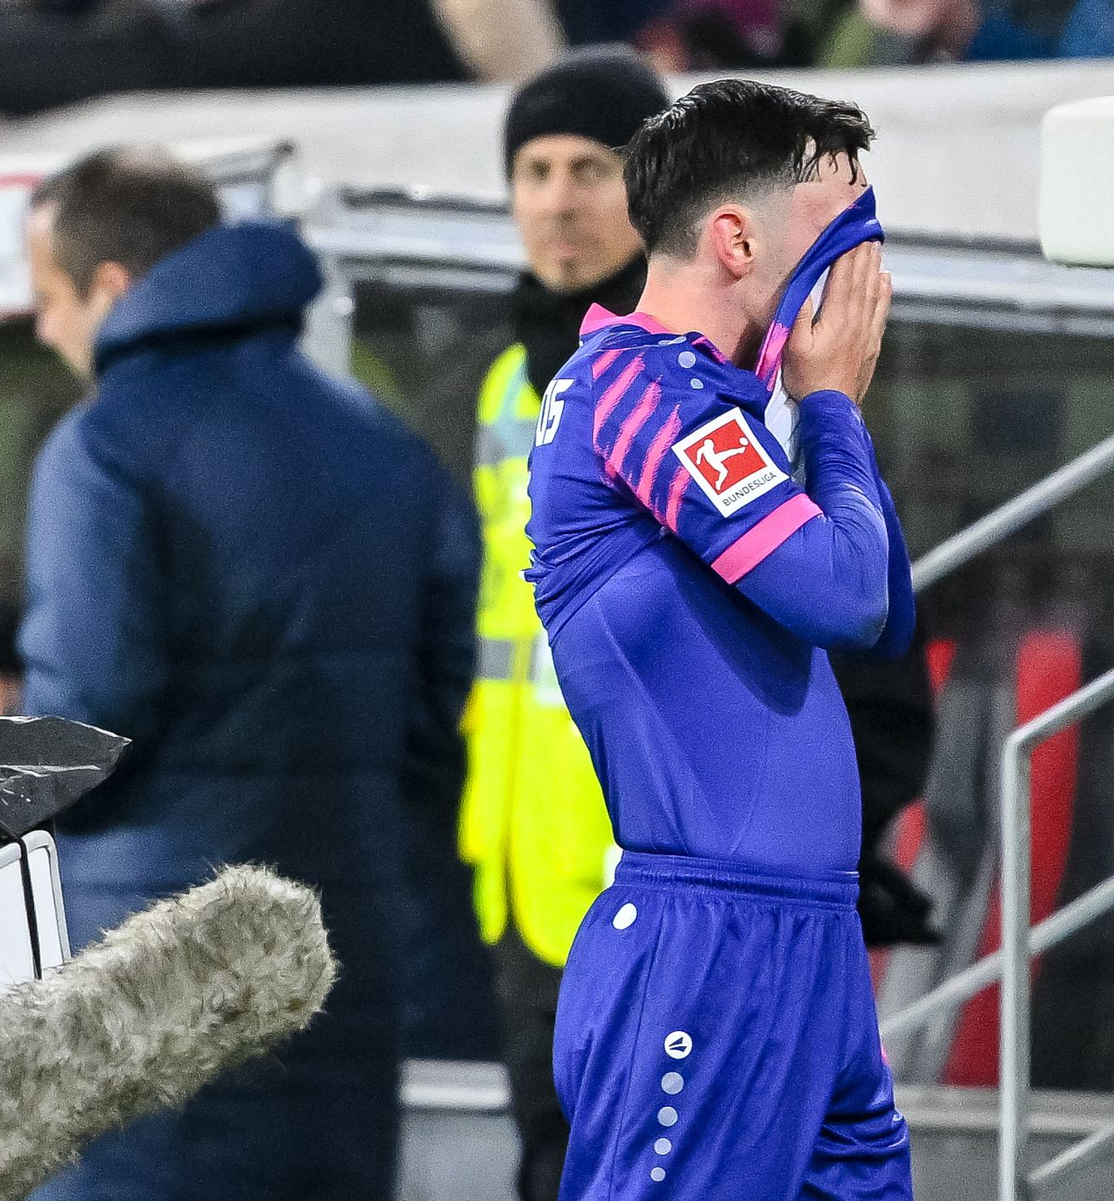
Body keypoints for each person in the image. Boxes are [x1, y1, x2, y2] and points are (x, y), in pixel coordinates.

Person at [19, 148, 478, 1201]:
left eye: (48, 298)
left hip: (146, 984)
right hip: (338, 964)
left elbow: (86, 725)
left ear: (111, 288)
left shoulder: (103, 449)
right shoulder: (383, 444)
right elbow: (434, 701)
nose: (43, 330)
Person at [526, 79, 914, 1198]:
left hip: (809, 939)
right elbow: (844, 598)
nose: (864, 272)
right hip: (708, 946)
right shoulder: (635, 388)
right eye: (843, 233)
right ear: (738, 240)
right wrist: (831, 406)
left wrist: (821, 410)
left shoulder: (720, 405)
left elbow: (883, 603)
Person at [454, 47, 669, 1201]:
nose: (557, 201)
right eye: (533, 171)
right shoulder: (509, 384)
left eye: (592, 167)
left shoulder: (705, 375)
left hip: (653, 869)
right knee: (552, 1155)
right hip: (530, 875)